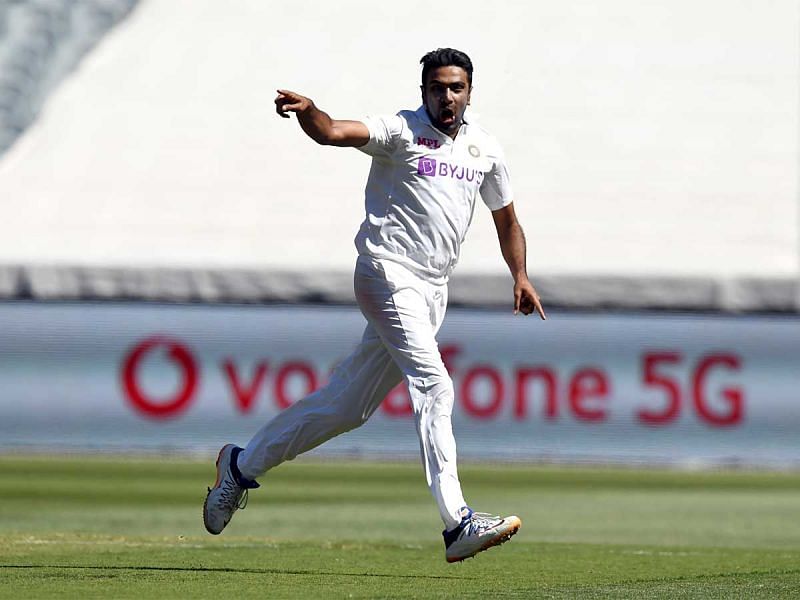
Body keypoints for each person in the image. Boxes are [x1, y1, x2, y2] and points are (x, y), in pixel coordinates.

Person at [203, 48, 546, 563]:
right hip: (386, 272)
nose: (446, 96)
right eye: (436, 87)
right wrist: (310, 112)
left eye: (455, 88)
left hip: (432, 289)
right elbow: (334, 132)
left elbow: (507, 220)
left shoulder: (484, 150)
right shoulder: (401, 131)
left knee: (347, 406)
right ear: (423, 91)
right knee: (434, 383)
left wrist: (519, 275)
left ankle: (240, 466)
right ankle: (458, 524)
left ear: (470, 92)